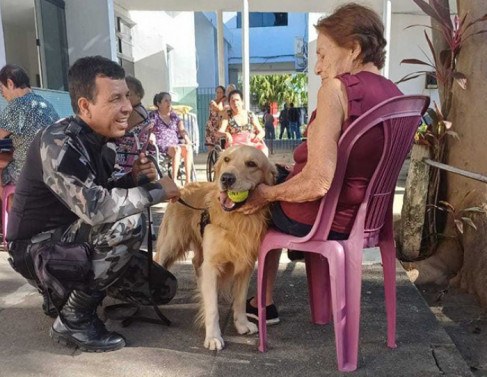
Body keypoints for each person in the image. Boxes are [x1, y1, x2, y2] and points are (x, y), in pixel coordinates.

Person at [242, 3, 403, 324]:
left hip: (321, 214)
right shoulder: (394, 95)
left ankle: (262, 302)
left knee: (255, 202)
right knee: (280, 176)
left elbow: (318, 183)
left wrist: (266, 194)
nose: (317, 67)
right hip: (366, 216)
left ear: (354, 49)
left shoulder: (337, 90)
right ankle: (306, 290)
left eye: (323, 55)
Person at [6, 55, 180, 352]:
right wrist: (156, 191)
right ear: (85, 106)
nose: (127, 107)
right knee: (127, 223)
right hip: (35, 248)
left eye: (126, 96)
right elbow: (97, 209)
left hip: (71, 235)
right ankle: (73, 318)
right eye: (115, 98)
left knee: (161, 288)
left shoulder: (102, 140)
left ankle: (61, 295)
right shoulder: (59, 141)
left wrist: (134, 179)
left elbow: (99, 191)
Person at [0, 64, 59, 186]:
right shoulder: (46, 104)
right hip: (51, 170)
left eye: (1, 89)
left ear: (10, 83)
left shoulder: (16, 106)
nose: (3, 95)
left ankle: (13, 204)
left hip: (27, 172)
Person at [149, 92, 193, 184]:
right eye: (166, 101)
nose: (169, 103)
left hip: (175, 143)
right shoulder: (154, 115)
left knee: (188, 148)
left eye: (170, 101)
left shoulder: (174, 116)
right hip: (162, 145)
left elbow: (182, 130)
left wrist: (187, 139)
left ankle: (188, 181)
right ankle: (174, 180)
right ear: (158, 104)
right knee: (176, 149)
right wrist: (151, 136)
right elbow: (150, 129)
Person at [115, 75, 152, 172]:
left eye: (127, 95)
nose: (123, 99)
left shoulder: (136, 113)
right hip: (128, 153)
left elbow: (119, 130)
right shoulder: (139, 110)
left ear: (138, 95)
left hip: (125, 156)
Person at [217, 89, 267, 156]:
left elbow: (262, 131)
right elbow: (219, 132)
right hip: (235, 145)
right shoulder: (227, 115)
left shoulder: (250, 114)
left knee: (262, 151)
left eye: (237, 100)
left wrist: (258, 137)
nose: (235, 103)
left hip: (251, 143)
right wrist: (226, 134)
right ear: (229, 103)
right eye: (232, 101)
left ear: (242, 102)